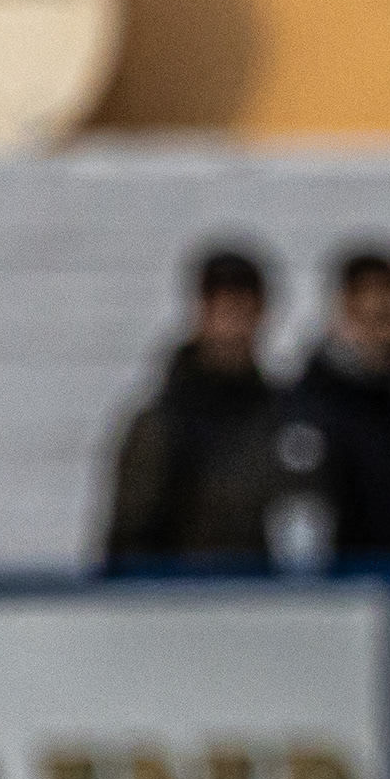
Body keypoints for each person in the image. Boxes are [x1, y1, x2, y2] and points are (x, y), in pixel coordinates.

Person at [97, 242, 296, 569]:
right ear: (200, 313)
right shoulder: (161, 425)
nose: (233, 327)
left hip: (271, 597)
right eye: (223, 311)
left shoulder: (288, 418)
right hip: (185, 597)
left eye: (244, 310)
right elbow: (127, 545)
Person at [285, 243, 390, 566]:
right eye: (366, 319)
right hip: (343, 587)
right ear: (341, 314)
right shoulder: (305, 411)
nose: (378, 335)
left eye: (385, 317)